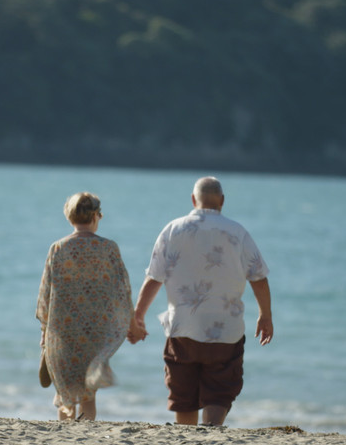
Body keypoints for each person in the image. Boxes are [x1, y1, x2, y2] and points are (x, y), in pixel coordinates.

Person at [127, 176, 273, 426]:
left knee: (183, 393)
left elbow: (154, 278)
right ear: (222, 201)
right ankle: (210, 432)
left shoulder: (173, 229)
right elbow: (258, 278)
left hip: (183, 328)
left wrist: (137, 316)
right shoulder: (237, 232)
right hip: (226, 331)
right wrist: (265, 315)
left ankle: (187, 440)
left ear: (193, 200)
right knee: (221, 389)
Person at [36, 192, 134, 421]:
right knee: (89, 394)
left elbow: (45, 294)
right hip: (95, 330)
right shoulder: (109, 248)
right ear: (96, 217)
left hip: (64, 330)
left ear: (69, 217)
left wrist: (45, 331)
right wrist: (132, 323)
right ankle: (87, 432)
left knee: (65, 390)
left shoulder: (58, 248)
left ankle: (64, 433)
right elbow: (122, 290)